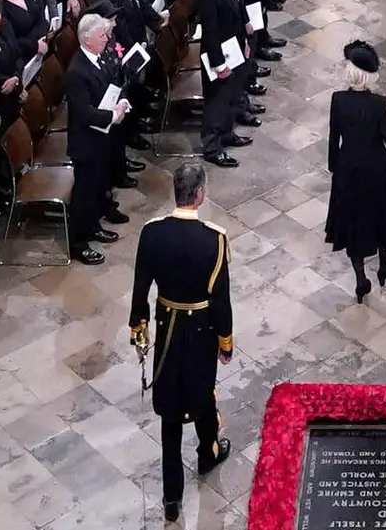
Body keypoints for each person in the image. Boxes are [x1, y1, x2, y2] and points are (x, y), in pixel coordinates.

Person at [129, 160, 238, 524]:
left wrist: (138, 327)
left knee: (170, 411)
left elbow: (141, 286)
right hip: (202, 330)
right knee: (203, 392)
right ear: (201, 194)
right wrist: (225, 341)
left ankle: (171, 496)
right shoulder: (214, 239)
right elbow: (220, 299)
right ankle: (208, 453)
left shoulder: (152, 233)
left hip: (168, 325)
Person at [323, 39, 386, 299]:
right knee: (381, 216)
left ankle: (361, 279)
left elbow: (334, 137)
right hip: (376, 169)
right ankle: (384, 265)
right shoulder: (379, 104)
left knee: (353, 221)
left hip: (347, 169)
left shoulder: (337, 100)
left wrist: (334, 166)